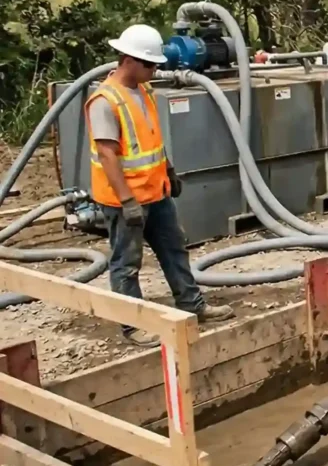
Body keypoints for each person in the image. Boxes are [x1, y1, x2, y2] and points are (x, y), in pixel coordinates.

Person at [86, 24, 234, 347]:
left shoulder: (144, 90)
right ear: (129, 60)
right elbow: (108, 155)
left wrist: (168, 169)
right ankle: (133, 324)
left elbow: (151, 136)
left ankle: (192, 304)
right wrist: (127, 201)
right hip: (125, 200)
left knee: (174, 249)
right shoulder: (105, 101)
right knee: (127, 262)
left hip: (156, 192)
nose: (155, 70)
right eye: (150, 64)